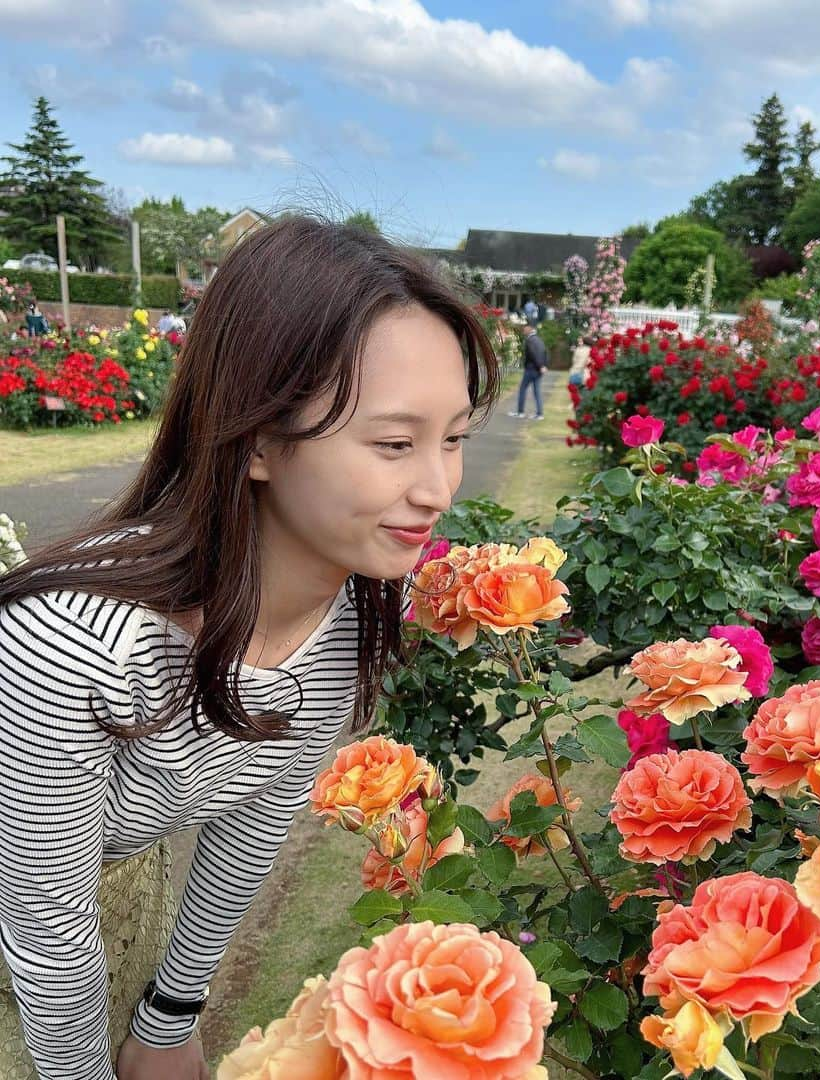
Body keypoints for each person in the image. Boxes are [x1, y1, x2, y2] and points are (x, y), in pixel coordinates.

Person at [0, 216, 500, 1080]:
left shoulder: (343, 619)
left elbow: (253, 824)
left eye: (453, 437)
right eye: (392, 444)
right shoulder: (76, 639)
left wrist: (168, 1020)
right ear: (260, 436)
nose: (437, 487)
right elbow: (47, 922)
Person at [510, 325, 547, 420]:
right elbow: (545, 353)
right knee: (537, 392)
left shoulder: (529, 341)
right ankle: (540, 414)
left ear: (528, 331)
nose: (523, 332)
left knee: (522, 389)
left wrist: (539, 365)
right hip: (539, 369)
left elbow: (532, 354)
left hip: (531, 369)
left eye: (524, 330)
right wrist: (544, 365)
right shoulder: (539, 340)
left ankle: (520, 412)